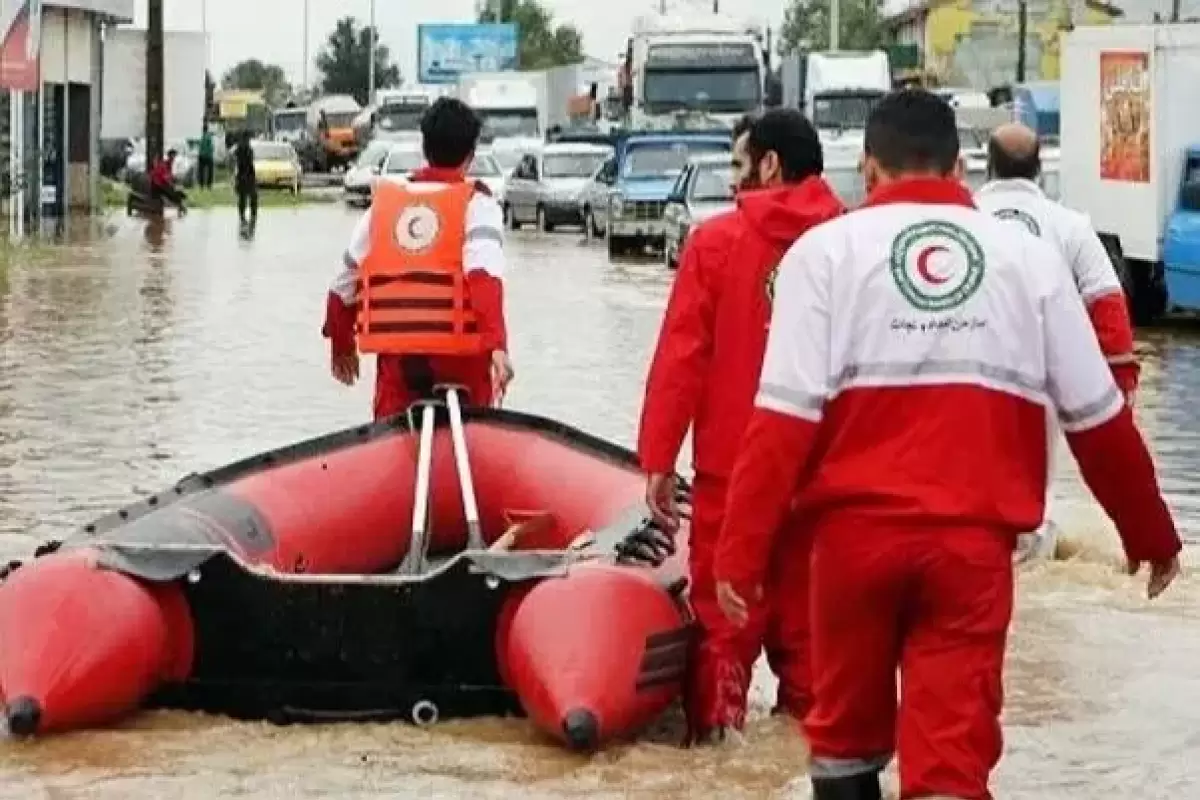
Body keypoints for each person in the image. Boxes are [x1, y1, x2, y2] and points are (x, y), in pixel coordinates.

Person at [712, 90, 1181, 800]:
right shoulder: (1029, 258)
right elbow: (1098, 415)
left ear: (867, 169)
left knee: (842, 745)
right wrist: (1149, 532)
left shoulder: (824, 253)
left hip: (848, 548)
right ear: (961, 167)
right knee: (950, 762)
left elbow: (781, 422)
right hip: (971, 553)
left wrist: (740, 555)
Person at [636, 109, 844, 744]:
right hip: (829, 482)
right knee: (816, 653)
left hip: (733, 477)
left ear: (770, 165)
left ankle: (716, 760)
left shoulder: (716, 244)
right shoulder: (853, 244)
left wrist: (658, 460)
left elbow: (682, 359)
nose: (733, 181)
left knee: (722, 641)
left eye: (737, 164)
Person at [975, 122, 1141, 562]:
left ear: (987, 167)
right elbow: (1108, 305)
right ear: (1039, 170)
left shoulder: (961, 219)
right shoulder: (1070, 226)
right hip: (1042, 379)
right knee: (1035, 493)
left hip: (963, 371)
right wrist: (1118, 390)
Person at [322, 96, 514, 420]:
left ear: (424, 147)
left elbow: (343, 286)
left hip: (400, 369)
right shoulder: (478, 205)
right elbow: (483, 276)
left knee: (390, 434)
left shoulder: (383, 207)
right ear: (471, 154)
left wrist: (341, 345)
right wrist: (497, 346)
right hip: (464, 366)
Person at [149, 149, 187, 214]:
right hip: (157, 186)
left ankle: (180, 206)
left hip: (162, 185)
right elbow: (164, 178)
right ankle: (181, 206)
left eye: (174, 157)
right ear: (169, 156)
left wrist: (173, 182)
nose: (173, 158)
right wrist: (171, 183)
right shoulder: (164, 165)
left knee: (176, 192)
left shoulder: (169, 165)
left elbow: (169, 177)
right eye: (172, 156)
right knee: (172, 193)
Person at [234, 131, 258, 227]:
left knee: (243, 197)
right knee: (250, 196)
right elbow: (249, 163)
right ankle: (251, 214)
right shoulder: (246, 149)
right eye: (247, 139)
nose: (248, 141)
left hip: (242, 175)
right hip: (247, 175)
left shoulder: (239, 149)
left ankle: (244, 215)